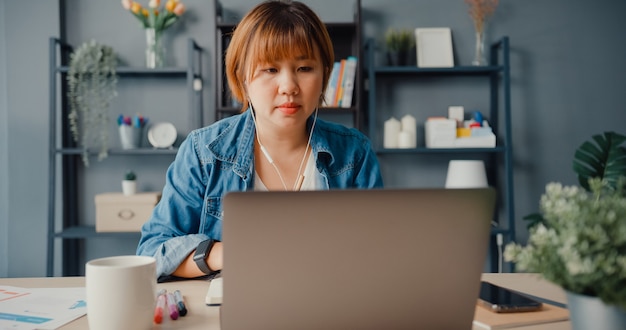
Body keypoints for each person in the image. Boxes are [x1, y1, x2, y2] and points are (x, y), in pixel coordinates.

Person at [137, 0, 383, 279]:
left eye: (304, 68)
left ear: (325, 74)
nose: (289, 86)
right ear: (243, 79)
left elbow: (380, 252)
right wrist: (224, 253)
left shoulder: (355, 152)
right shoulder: (202, 152)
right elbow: (151, 252)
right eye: (270, 69)